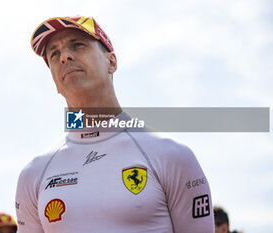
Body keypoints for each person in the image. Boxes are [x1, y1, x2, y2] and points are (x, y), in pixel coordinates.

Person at [15, 16, 214, 233]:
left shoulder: (172, 155)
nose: (65, 57)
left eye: (77, 45)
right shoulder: (34, 174)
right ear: (54, 81)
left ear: (111, 62)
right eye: (54, 54)